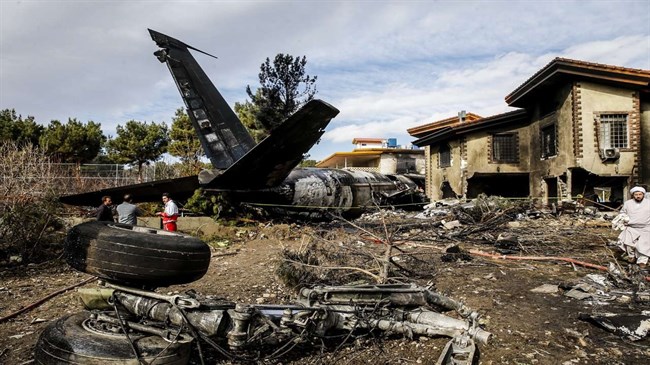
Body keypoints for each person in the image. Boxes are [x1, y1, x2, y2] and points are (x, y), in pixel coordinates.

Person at [616, 186, 650, 268]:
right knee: (629, 244)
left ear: (643, 194)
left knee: (644, 245)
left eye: (640, 194)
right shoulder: (628, 203)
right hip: (631, 227)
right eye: (636, 194)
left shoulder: (649, 203)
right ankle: (631, 256)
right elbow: (622, 213)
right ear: (633, 195)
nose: (638, 196)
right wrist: (624, 217)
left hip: (645, 228)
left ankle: (642, 261)